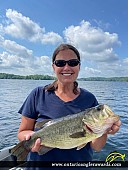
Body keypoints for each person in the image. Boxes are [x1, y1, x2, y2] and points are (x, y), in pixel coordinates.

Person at [17, 44, 121, 170]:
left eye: (73, 62)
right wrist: (30, 140)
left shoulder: (89, 98)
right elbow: (22, 132)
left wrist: (105, 130)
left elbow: (97, 147)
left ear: (79, 66)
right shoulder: (37, 94)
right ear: (53, 67)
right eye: (60, 63)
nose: (66, 67)